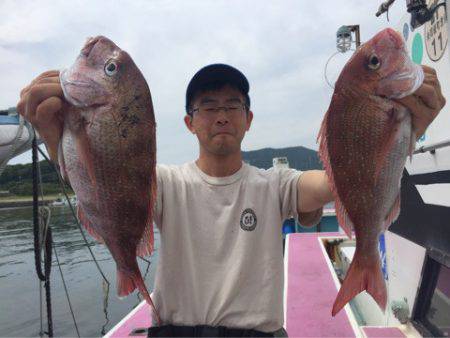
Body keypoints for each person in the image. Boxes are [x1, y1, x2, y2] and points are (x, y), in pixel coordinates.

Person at [17, 63, 445, 337]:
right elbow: (104, 186)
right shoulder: (164, 184)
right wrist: (62, 145)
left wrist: (399, 136)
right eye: (207, 106)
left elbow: (332, 184)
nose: (221, 113)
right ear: (189, 122)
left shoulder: (275, 184)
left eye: (233, 104)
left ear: (248, 119)